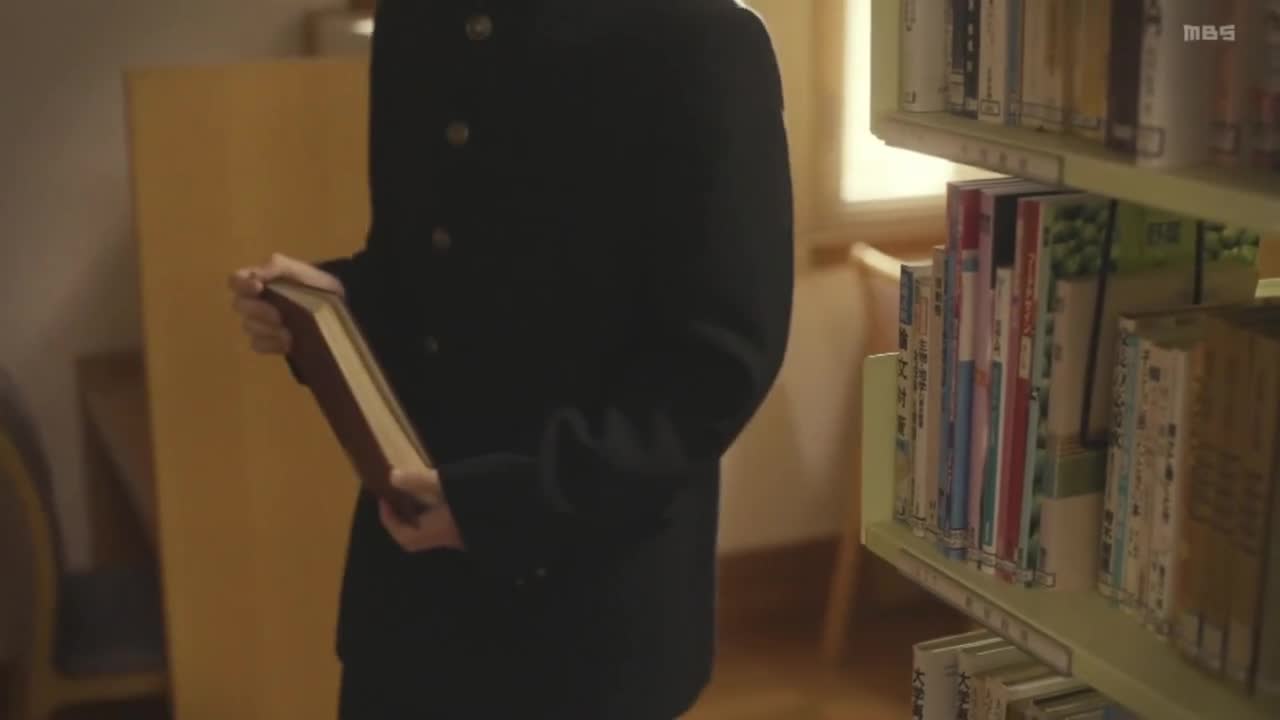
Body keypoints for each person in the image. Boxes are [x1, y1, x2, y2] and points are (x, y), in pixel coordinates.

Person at [227, 0, 793, 716]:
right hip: (410, 592)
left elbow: (717, 362)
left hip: (585, 606)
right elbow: (423, 268)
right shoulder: (418, 18)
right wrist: (335, 304)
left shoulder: (701, 37)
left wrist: (506, 506)